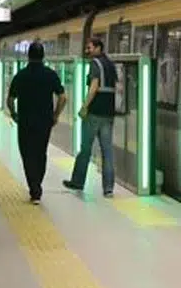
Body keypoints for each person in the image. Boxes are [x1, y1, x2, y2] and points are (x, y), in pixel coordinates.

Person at [7, 42, 66, 204]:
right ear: (43, 56)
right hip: (44, 121)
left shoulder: (21, 75)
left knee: (27, 154)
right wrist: (56, 115)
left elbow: (10, 99)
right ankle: (37, 185)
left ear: (28, 56)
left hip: (25, 121)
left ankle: (34, 188)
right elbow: (63, 97)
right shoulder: (51, 74)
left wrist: (13, 114)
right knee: (41, 153)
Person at [63, 38, 117, 197]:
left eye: (90, 48)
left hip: (94, 112)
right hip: (108, 113)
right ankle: (108, 189)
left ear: (98, 48)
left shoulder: (95, 64)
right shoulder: (110, 64)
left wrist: (84, 107)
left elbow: (93, 87)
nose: (87, 51)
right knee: (107, 152)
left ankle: (77, 182)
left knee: (86, 148)